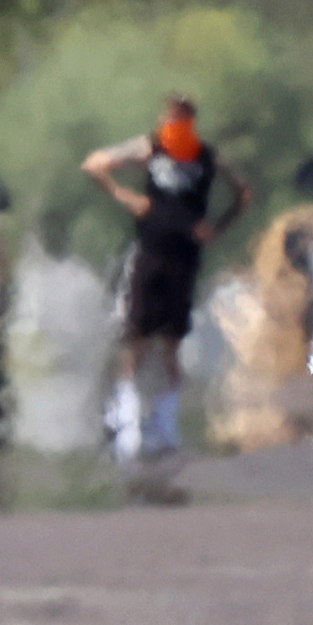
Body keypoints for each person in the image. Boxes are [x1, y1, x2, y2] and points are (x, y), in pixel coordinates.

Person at [82, 95, 249, 463]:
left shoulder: (205, 155)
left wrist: (217, 227)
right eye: (172, 115)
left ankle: (164, 428)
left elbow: (243, 192)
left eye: (182, 116)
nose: (175, 122)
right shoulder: (151, 146)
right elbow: (94, 165)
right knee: (135, 337)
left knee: (171, 342)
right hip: (149, 252)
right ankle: (125, 422)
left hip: (185, 257)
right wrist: (126, 196)